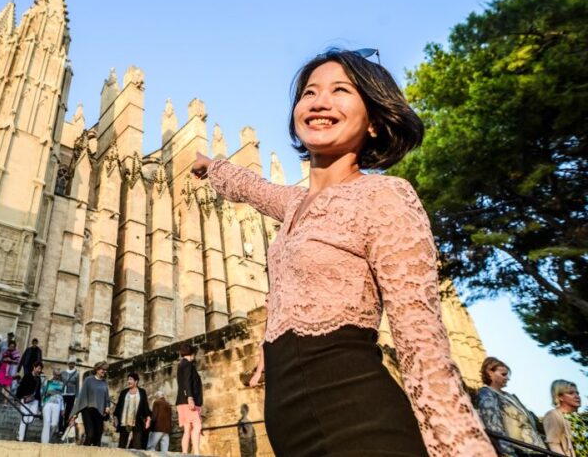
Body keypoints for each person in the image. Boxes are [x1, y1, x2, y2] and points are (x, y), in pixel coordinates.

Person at [191, 48, 496, 457]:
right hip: (291, 426)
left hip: (359, 421)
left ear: (373, 121)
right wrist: (209, 165)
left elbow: (423, 346)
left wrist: (463, 448)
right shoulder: (295, 204)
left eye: (341, 90)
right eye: (309, 92)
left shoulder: (386, 196)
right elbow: (251, 188)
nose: (320, 101)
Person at [476, 357, 546, 456]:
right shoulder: (487, 394)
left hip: (536, 449)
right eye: (503, 374)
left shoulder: (510, 397)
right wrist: (508, 453)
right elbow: (494, 427)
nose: (507, 378)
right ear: (490, 373)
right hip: (518, 450)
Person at [69, 361, 111, 447]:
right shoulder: (88, 380)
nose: (104, 371)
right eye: (103, 369)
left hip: (99, 412)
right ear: (97, 369)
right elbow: (82, 397)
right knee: (90, 434)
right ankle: (85, 451)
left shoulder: (104, 383)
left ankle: (95, 453)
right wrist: (75, 414)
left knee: (98, 436)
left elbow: (107, 398)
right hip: (88, 410)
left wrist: (107, 406)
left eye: (106, 370)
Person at [113, 372, 152, 449]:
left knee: (137, 444)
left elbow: (145, 406)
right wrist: (115, 418)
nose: (128, 381)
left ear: (136, 381)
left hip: (137, 421)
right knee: (122, 444)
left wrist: (148, 419)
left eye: (131, 379)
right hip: (124, 420)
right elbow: (118, 406)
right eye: (128, 379)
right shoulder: (124, 392)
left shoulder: (142, 392)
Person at [176, 344, 202, 454]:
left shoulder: (181, 364)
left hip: (181, 401)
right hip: (187, 401)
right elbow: (187, 382)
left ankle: (185, 453)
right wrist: (190, 398)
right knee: (197, 426)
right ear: (192, 354)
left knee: (187, 429)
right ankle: (196, 453)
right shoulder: (188, 365)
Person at [543, 380, 580, 457]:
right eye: (571, 393)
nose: (577, 396)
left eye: (577, 393)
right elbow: (554, 444)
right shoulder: (553, 415)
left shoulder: (579, 418)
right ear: (560, 397)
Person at [16, 360, 43, 442]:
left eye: (40, 369)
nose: (39, 370)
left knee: (31, 418)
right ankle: (21, 438)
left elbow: (38, 391)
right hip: (25, 399)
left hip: (34, 400)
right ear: (34, 367)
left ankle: (21, 435)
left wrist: (39, 405)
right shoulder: (27, 376)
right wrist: (18, 397)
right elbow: (21, 387)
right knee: (24, 418)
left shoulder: (38, 379)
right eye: (38, 368)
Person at [41, 367, 65, 444]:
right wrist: (41, 405)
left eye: (59, 375)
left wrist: (62, 408)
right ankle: (44, 442)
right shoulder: (47, 382)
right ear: (53, 374)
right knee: (46, 422)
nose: (57, 376)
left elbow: (61, 396)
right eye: (56, 374)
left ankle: (49, 439)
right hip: (47, 403)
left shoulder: (62, 384)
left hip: (57, 404)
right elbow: (42, 393)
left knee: (54, 424)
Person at [0, 340, 21, 404]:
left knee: (8, 385)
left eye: (13, 346)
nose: (11, 347)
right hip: (3, 369)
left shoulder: (16, 352)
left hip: (10, 370)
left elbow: (18, 361)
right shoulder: (5, 351)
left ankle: (5, 401)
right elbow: (1, 359)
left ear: (14, 347)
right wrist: (4, 359)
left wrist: (11, 360)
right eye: (10, 346)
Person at [61, 356, 80, 434]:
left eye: (73, 363)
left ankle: (65, 427)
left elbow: (77, 386)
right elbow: (60, 383)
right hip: (63, 394)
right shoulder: (63, 373)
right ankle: (60, 428)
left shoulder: (77, 373)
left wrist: (77, 397)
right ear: (68, 364)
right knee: (61, 411)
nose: (71, 365)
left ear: (74, 364)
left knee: (68, 412)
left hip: (71, 394)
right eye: (70, 363)